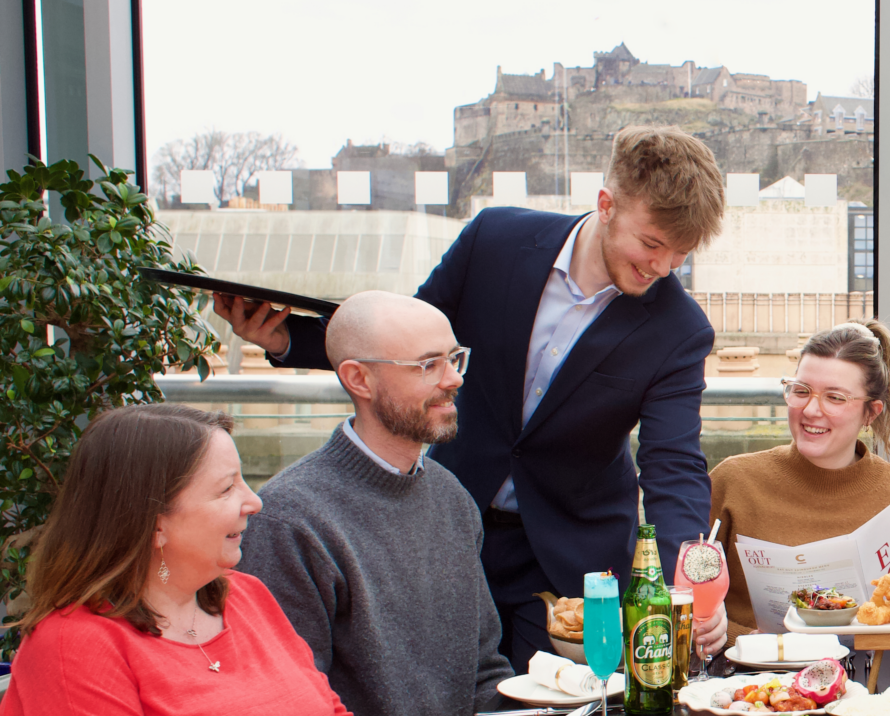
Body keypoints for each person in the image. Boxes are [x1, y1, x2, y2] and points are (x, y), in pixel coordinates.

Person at [216, 125, 729, 670]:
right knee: (445, 699)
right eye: (652, 243)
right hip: (450, 530)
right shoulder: (495, 239)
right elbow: (403, 340)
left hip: (575, 560)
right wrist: (286, 337)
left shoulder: (680, 327)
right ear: (606, 204)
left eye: (681, 254)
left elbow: (672, 464)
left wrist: (685, 585)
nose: (662, 267)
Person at [0, 405, 386, 716]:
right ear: (154, 523)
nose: (254, 500)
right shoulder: (71, 651)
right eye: (227, 489)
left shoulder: (244, 598)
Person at [239, 291, 514, 716]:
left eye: (454, 358)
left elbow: (485, 669)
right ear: (358, 379)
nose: (454, 379)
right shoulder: (288, 520)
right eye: (427, 365)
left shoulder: (450, 498)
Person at [708, 321, 890, 676]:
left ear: (871, 412)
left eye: (835, 397)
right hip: (752, 688)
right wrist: (740, 638)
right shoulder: (733, 480)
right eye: (801, 390)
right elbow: (685, 594)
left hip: (874, 692)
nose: (811, 410)